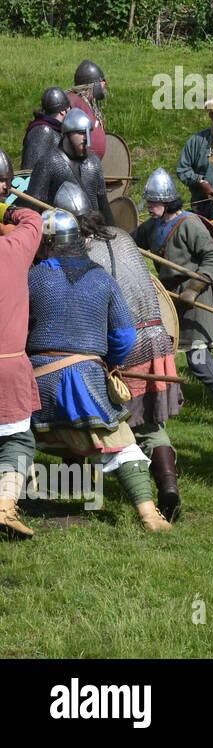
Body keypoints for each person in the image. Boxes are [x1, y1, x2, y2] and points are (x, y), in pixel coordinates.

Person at [26, 209, 171, 531]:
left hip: (36, 380)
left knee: (13, 436)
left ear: (48, 244)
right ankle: (148, 515)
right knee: (121, 442)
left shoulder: (33, 277)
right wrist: (109, 362)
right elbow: (123, 336)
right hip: (85, 380)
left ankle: (13, 500)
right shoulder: (102, 278)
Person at [58, 181, 185, 521]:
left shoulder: (77, 251)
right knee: (151, 422)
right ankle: (169, 486)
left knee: (102, 420)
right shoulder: (122, 236)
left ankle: (83, 486)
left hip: (123, 341)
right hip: (157, 335)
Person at [135, 168, 213, 434]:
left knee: (199, 361)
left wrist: (194, 289)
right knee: (162, 356)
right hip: (170, 301)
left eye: (153, 202)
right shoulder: (152, 227)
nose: (150, 207)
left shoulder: (189, 224)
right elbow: (130, 243)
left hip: (194, 302)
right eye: (149, 202)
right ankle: (164, 409)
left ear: (166, 202)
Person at [0, 199, 43, 540]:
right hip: (8, 365)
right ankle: (4, 504)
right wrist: (3, 209)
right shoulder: (15, 248)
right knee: (18, 440)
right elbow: (33, 218)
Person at [21, 108, 115, 227]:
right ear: (67, 133)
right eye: (81, 133)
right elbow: (34, 208)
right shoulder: (48, 163)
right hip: (61, 235)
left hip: (93, 231)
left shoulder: (94, 161)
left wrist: (113, 232)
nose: (86, 138)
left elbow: (103, 204)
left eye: (88, 133)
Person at [67, 59, 109, 160]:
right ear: (96, 85)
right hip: (76, 164)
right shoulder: (73, 102)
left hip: (90, 165)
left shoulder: (87, 103)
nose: (104, 90)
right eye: (102, 86)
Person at [22, 87, 71, 170]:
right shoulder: (42, 132)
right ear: (63, 111)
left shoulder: (57, 129)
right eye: (69, 107)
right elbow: (30, 169)